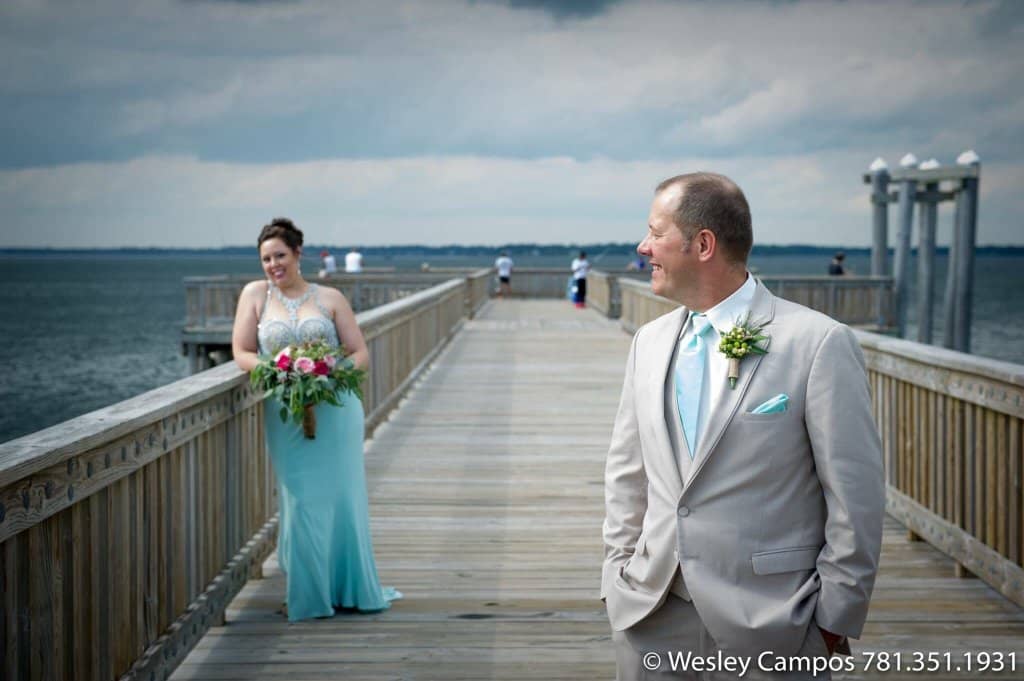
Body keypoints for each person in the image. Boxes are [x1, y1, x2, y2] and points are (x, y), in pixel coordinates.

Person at [602, 173, 884, 679]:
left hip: (774, 621)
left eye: (655, 232)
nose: (644, 247)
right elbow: (628, 472)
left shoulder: (817, 343)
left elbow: (855, 495)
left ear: (703, 244)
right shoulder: (649, 341)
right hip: (651, 613)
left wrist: (832, 618)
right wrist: (617, 573)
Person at [231, 217, 401, 622]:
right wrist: (279, 371)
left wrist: (329, 374)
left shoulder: (330, 297)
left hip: (336, 408)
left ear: (298, 254)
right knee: (302, 499)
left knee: (342, 498)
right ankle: (310, 595)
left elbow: (359, 352)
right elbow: (241, 351)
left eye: (280, 256)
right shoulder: (254, 295)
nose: (273, 265)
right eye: (266, 259)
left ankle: (347, 588)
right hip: (285, 411)